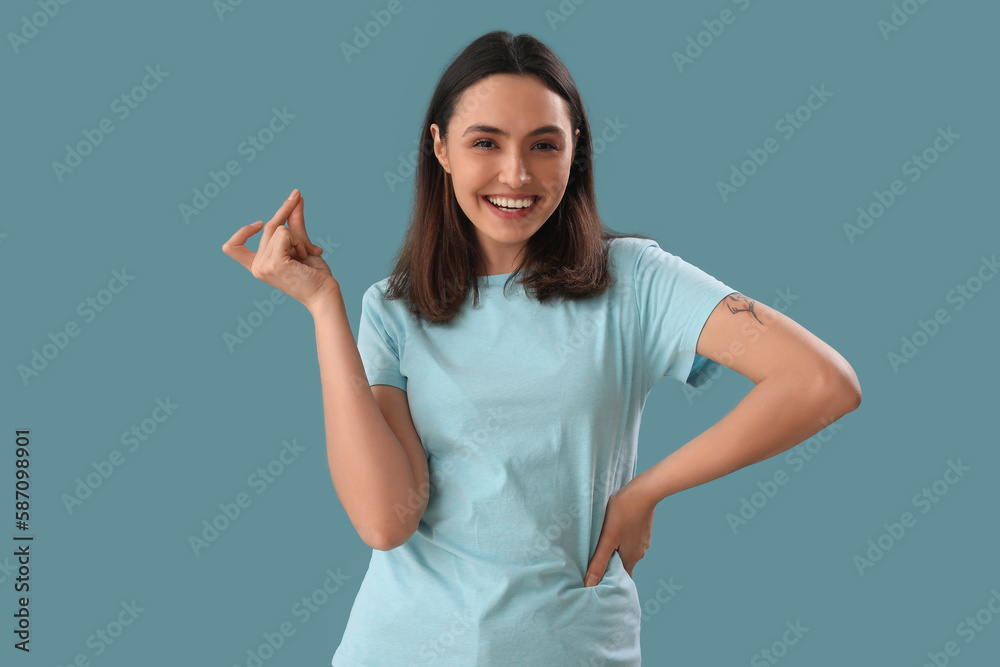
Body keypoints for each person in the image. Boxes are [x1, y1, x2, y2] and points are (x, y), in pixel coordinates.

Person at [222, 30, 861, 667]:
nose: (516, 174)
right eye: (485, 143)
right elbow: (387, 520)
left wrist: (646, 492)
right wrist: (322, 307)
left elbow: (819, 382)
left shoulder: (634, 280)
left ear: (575, 149)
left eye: (544, 145)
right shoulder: (391, 309)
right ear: (440, 148)